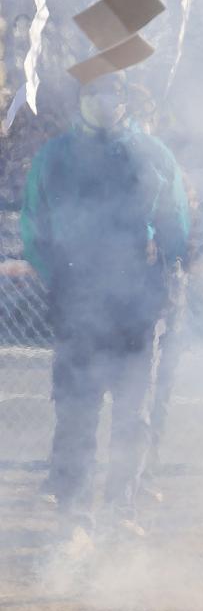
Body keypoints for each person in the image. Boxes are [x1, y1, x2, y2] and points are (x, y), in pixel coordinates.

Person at [21, 75, 190, 528]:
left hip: (138, 302)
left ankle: (121, 511)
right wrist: (59, 279)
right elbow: (34, 225)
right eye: (95, 90)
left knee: (133, 413)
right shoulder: (55, 157)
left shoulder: (152, 154)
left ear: (126, 97)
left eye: (113, 90)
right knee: (78, 407)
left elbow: (176, 223)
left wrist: (170, 275)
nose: (104, 99)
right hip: (78, 302)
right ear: (81, 98)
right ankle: (75, 514)